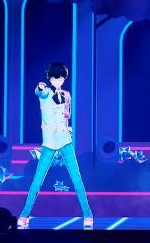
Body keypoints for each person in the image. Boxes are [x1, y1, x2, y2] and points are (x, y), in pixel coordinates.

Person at [17, 62, 93, 229]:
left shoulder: (67, 95)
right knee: (37, 180)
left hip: (65, 140)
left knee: (76, 178)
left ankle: (88, 215)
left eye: (61, 78)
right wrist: (40, 87)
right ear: (50, 78)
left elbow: (67, 115)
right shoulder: (45, 92)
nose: (58, 81)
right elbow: (40, 91)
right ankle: (24, 215)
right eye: (55, 78)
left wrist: (67, 126)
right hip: (49, 142)